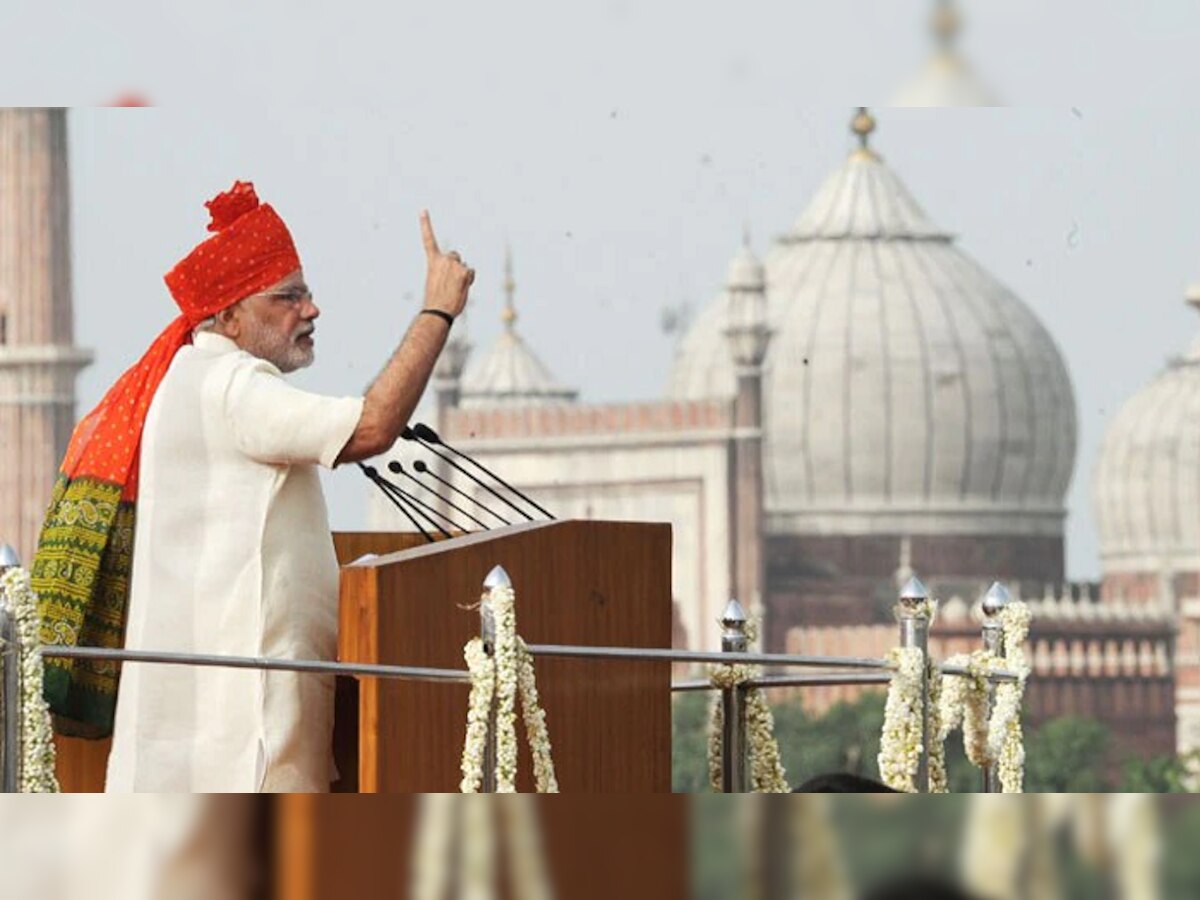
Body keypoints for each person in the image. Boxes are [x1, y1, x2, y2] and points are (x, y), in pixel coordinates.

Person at [33, 180, 474, 791]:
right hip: (241, 749)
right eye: (287, 298)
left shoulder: (181, 381)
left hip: (197, 747)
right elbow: (372, 426)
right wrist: (438, 311)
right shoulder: (232, 388)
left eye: (308, 294)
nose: (311, 310)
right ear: (231, 315)